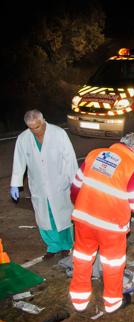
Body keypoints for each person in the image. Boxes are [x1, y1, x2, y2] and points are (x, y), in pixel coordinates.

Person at [69, 133, 134, 313]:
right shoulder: (132, 167)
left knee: (82, 258)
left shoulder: (94, 155)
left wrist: (82, 206)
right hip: (111, 228)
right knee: (112, 264)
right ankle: (112, 302)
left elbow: (75, 186)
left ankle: (79, 300)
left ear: (121, 143)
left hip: (84, 221)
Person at [10, 110, 78, 260]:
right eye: (31, 128)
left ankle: (66, 246)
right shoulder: (23, 138)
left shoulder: (59, 133)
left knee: (63, 216)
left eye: (38, 127)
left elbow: (70, 159)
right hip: (38, 185)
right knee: (44, 217)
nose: (35, 131)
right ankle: (52, 246)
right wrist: (15, 183)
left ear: (43, 121)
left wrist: (74, 182)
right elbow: (19, 161)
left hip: (60, 184)